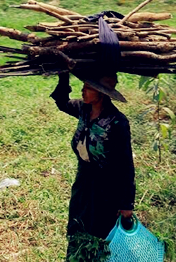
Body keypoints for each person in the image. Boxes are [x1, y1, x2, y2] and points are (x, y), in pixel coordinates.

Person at [51, 71, 135, 258]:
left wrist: (126, 204)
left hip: (106, 189)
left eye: (88, 87)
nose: (83, 91)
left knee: (100, 234)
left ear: (101, 93)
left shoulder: (117, 122)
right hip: (83, 184)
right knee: (77, 227)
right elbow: (61, 101)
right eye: (84, 86)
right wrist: (63, 75)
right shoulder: (83, 109)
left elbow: (126, 165)